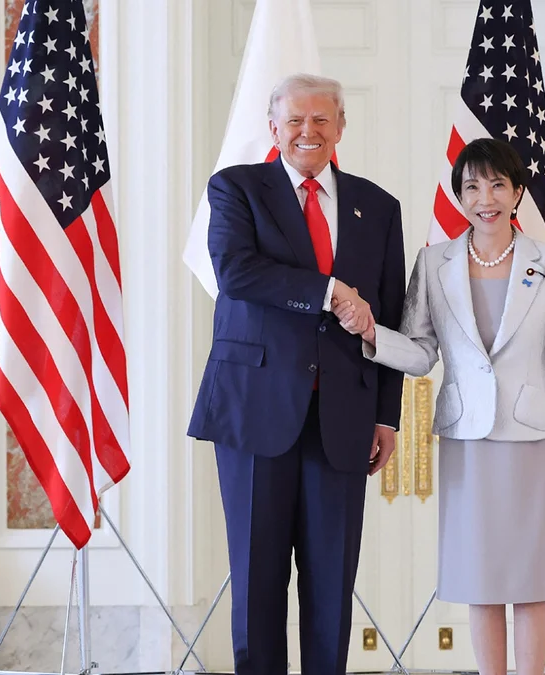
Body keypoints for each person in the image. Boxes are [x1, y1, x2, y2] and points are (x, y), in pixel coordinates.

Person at [335, 137, 545, 675]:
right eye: (472, 186)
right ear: (459, 196)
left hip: (536, 441)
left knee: (532, 577)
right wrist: (369, 331)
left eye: (497, 184)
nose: (485, 197)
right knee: (481, 578)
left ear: (517, 192)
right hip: (468, 442)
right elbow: (422, 352)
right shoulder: (434, 263)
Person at [187, 73, 407, 675]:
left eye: (320, 121)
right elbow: (236, 272)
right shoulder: (236, 189)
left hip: (344, 417)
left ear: (340, 128)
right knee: (257, 581)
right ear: (273, 128)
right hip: (255, 410)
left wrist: (387, 414)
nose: (307, 132)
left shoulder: (379, 208)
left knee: (332, 583)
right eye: (294, 121)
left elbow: (388, 316)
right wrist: (331, 292)